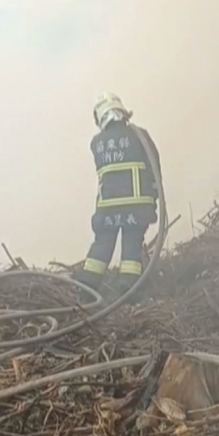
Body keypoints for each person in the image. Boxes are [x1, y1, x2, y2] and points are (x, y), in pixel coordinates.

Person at [73, 92, 162, 303]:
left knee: (101, 245)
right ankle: (128, 289)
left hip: (107, 208)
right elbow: (154, 166)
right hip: (137, 207)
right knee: (132, 246)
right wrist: (154, 196)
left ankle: (87, 286)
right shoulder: (139, 135)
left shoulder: (97, 143)